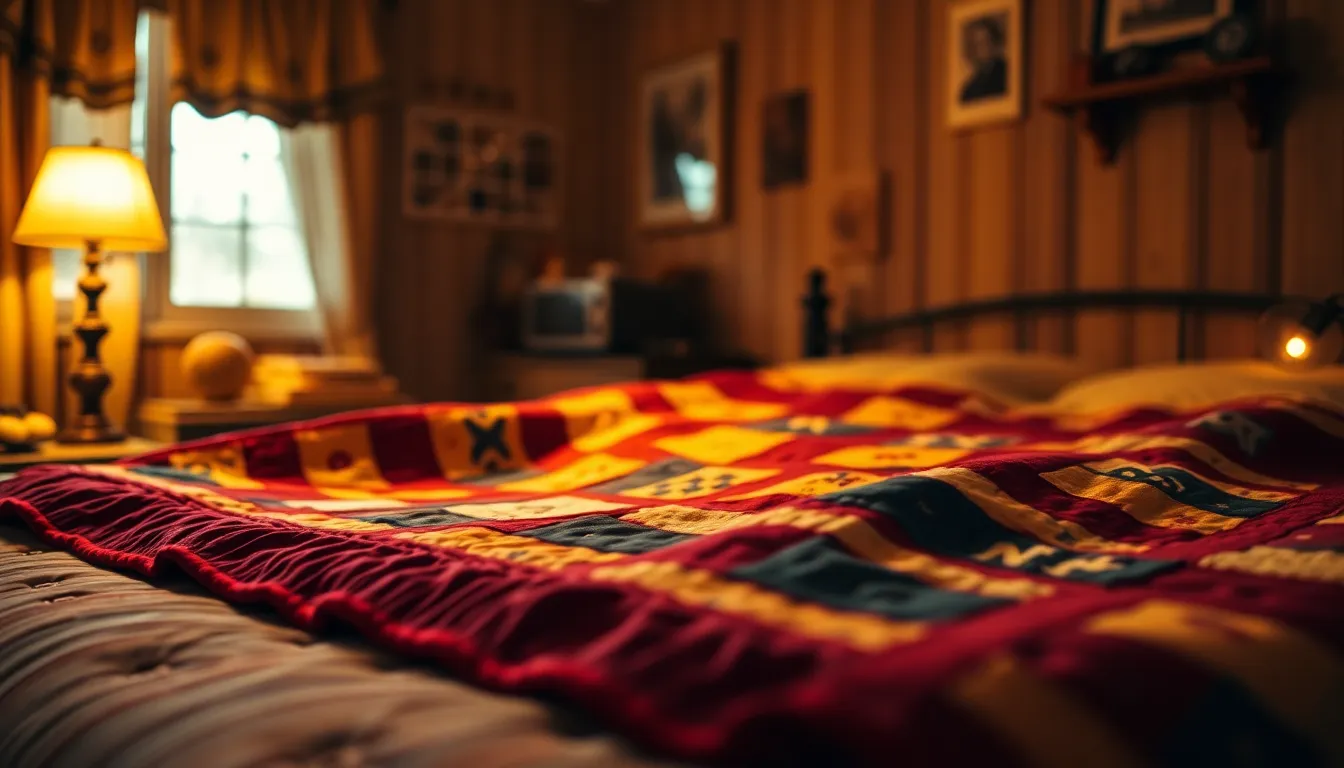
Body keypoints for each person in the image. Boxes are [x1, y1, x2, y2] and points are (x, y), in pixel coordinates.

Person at [959, 16, 1007, 104]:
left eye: (984, 42)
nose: (979, 50)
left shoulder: (1007, 75)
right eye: (976, 44)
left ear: (995, 44)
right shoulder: (970, 88)